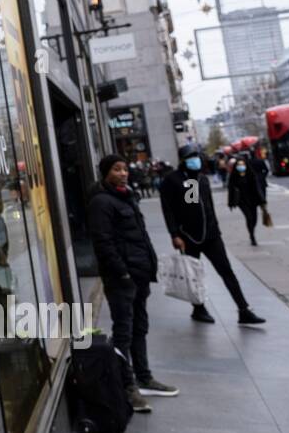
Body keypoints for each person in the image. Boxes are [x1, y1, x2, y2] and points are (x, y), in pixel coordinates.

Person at [86, 154, 179, 413]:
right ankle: (127, 386)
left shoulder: (127, 196)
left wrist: (149, 268)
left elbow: (140, 236)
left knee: (140, 326)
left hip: (140, 274)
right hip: (122, 279)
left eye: (125, 168)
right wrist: (123, 275)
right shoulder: (101, 202)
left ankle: (144, 376)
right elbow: (103, 243)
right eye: (117, 169)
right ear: (106, 173)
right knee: (124, 332)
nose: (123, 173)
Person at [160, 144, 266, 325]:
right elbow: (169, 210)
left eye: (197, 156)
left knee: (226, 271)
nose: (196, 160)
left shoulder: (201, 179)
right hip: (188, 237)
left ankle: (243, 309)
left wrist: (215, 227)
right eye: (191, 157)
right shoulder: (173, 180)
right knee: (193, 274)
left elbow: (204, 207)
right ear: (183, 160)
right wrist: (174, 234)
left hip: (211, 235)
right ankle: (198, 309)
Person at [227, 153, 266, 246]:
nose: (241, 166)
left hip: (253, 200)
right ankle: (252, 236)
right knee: (249, 217)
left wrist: (262, 200)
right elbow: (231, 190)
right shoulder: (233, 176)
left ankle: (252, 231)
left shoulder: (251, 174)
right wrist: (230, 203)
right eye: (239, 165)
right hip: (242, 201)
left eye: (242, 164)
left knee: (255, 219)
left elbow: (257, 188)